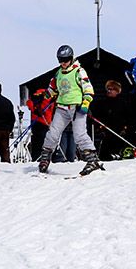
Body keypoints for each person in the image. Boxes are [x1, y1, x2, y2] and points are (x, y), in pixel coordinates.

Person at [39, 45, 102, 175]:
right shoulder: (59, 73)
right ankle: (45, 157)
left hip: (77, 107)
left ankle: (92, 160)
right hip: (62, 107)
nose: (63, 63)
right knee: (53, 133)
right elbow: (53, 87)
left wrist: (85, 102)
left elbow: (88, 89)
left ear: (71, 58)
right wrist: (46, 95)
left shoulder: (79, 71)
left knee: (79, 134)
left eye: (66, 60)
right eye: (60, 60)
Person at [90, 80, 135, 160]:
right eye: (108, 89)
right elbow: (97, 117)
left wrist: (126, 128)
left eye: (112, 89)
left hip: (120, 133)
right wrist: (100, 128)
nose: (109, 91)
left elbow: (129, 117)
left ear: (117, 91)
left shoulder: (123, 103)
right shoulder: (101, 103)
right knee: (104, 153)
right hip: (106, 132)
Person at [25, 88, 54, 161]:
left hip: (44, 122)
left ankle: (38, 158)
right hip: (40, 122)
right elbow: (29, 102)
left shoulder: (50, 95)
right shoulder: (41, 94)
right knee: (40, 142)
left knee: (40, 142)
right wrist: (35, 110)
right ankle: (38, 158)